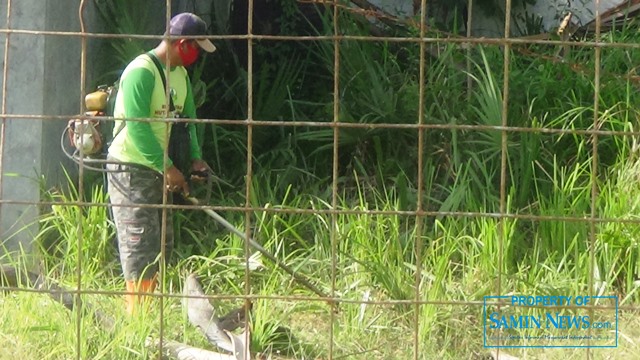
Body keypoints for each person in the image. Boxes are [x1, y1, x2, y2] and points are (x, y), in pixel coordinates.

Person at [106, 12, 215, 314]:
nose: (197, 56)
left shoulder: (180, 74)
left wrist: (194, 158)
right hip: (131, 168)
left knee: (161, 243)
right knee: (139, 244)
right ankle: (137, 316)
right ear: (182, 44)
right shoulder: (142, 72)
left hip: (161, 167)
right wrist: (167, 167)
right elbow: (138, 127)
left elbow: (187, 122)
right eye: (196, 48)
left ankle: (153, 313)